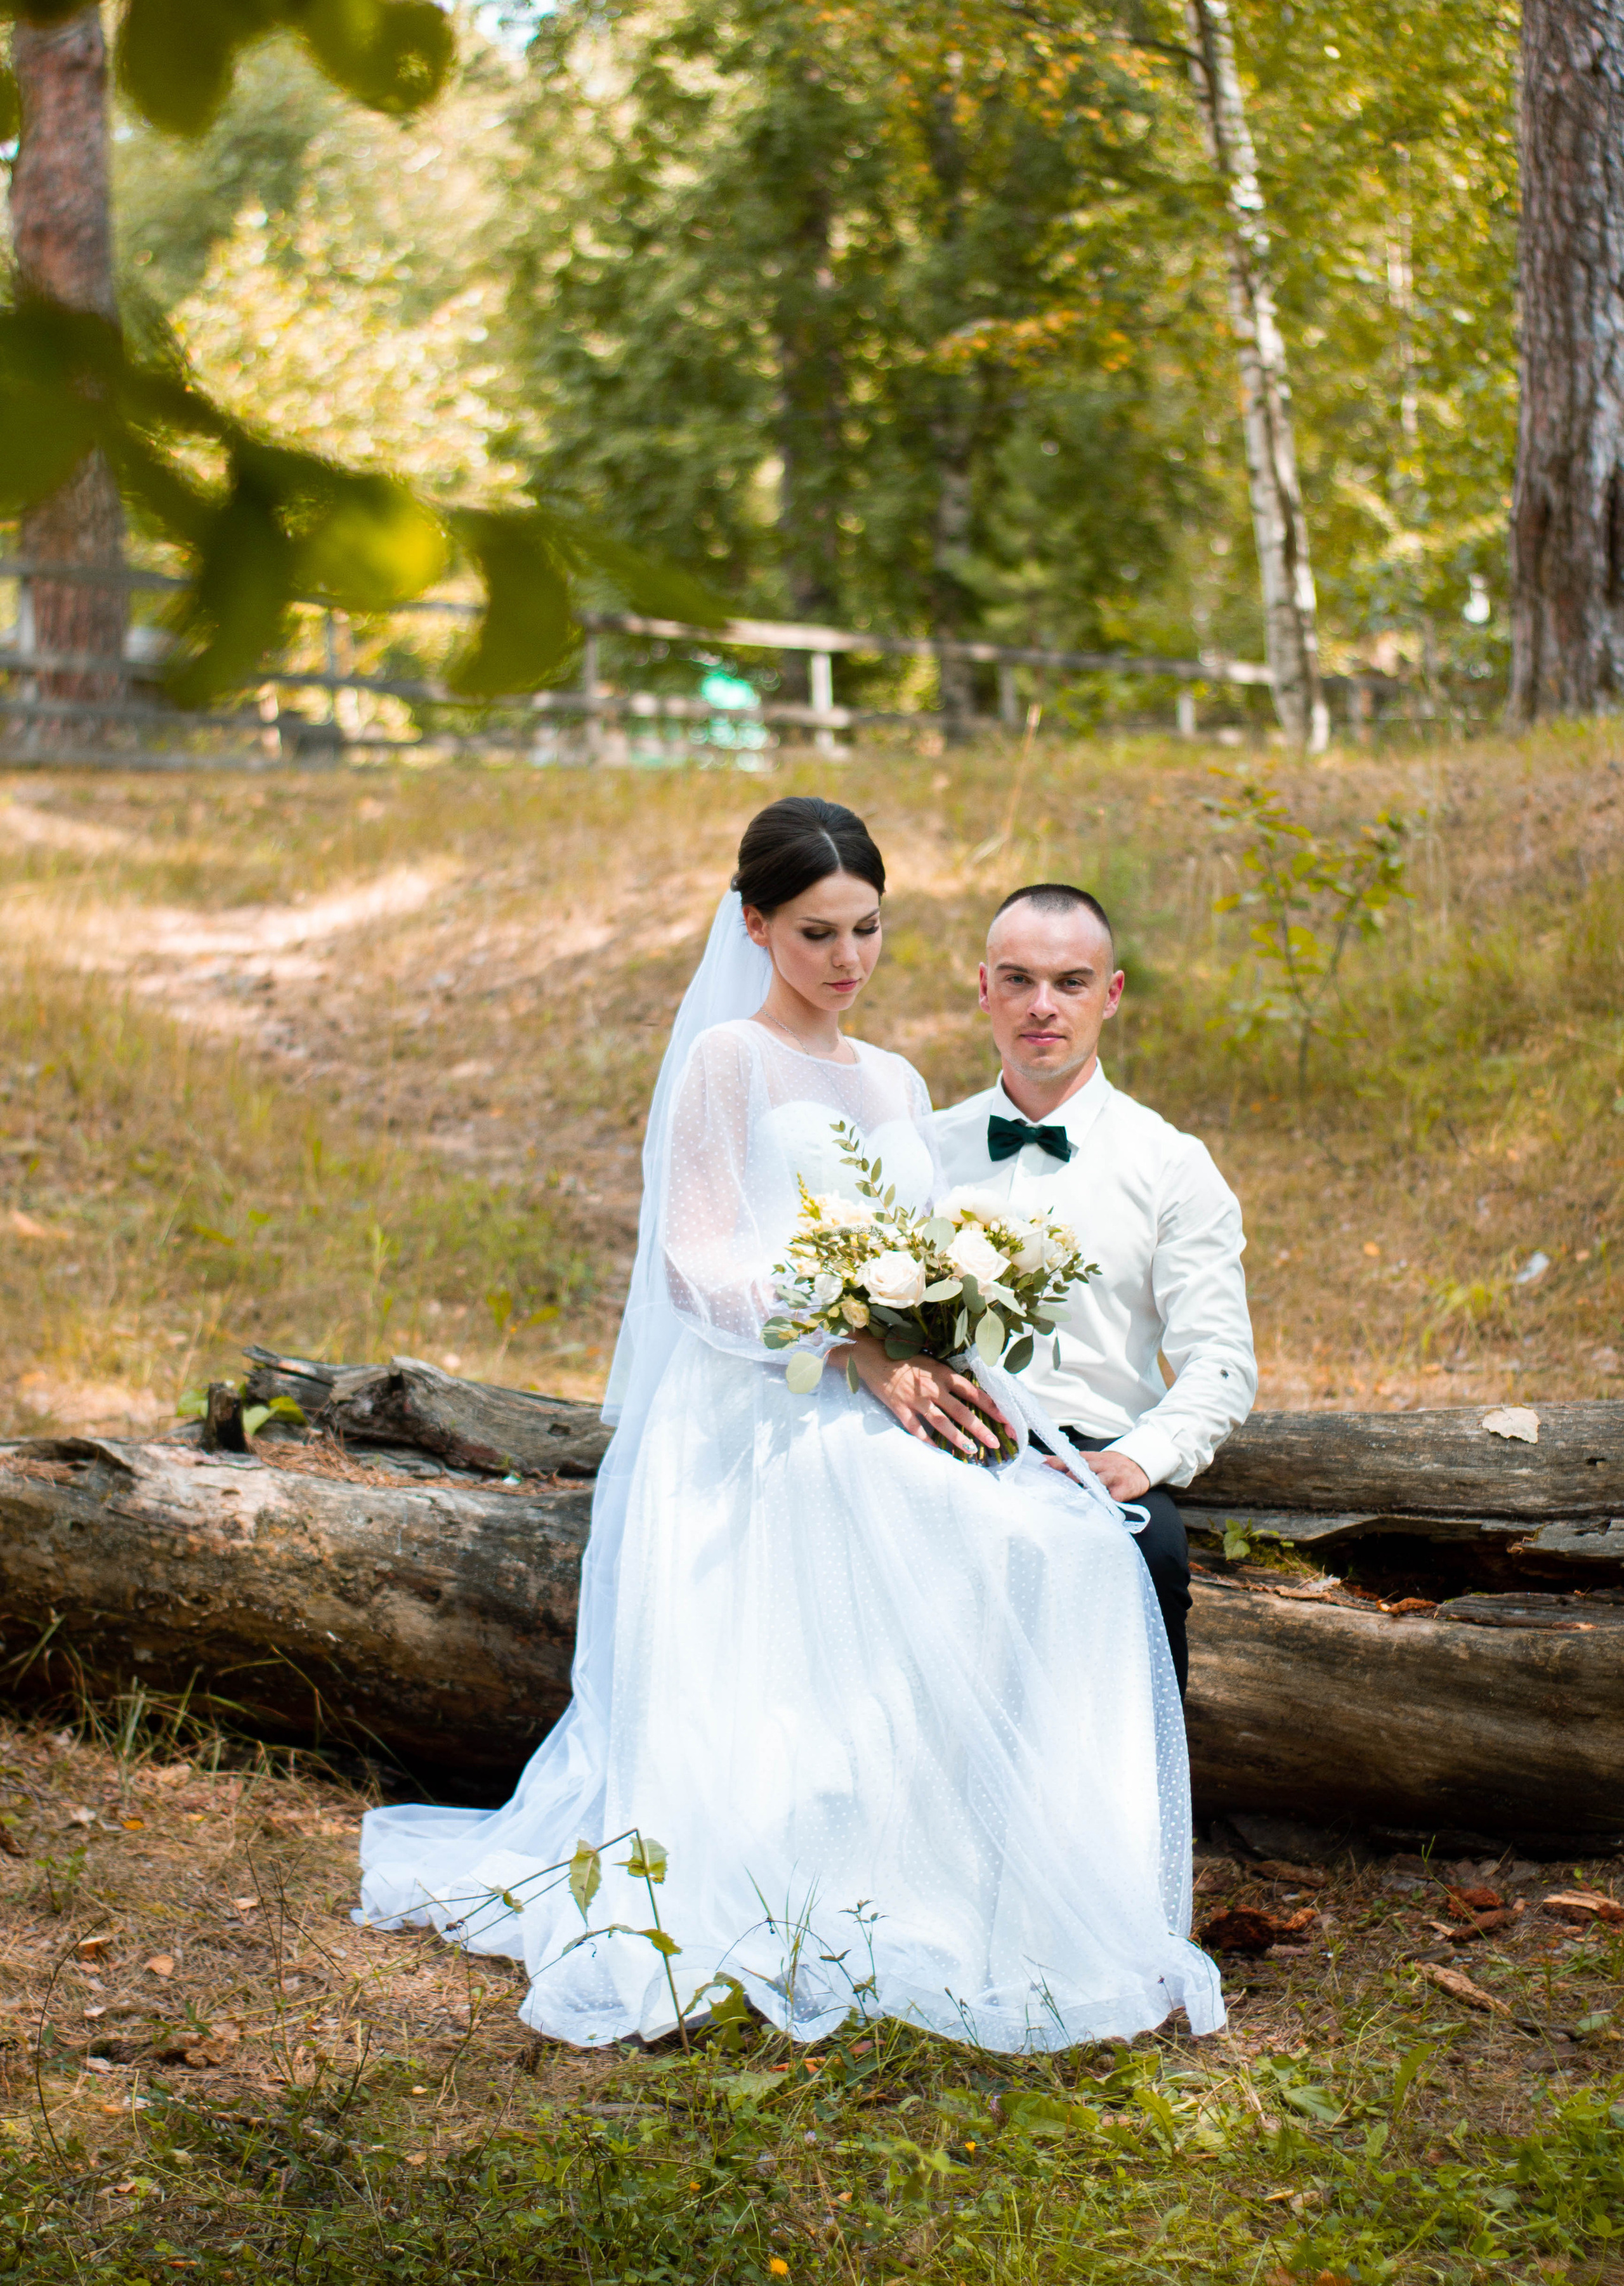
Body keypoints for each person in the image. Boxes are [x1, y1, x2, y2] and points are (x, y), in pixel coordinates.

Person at [358, 801, 1223, 2053]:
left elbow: (914, 1251)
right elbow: (695, 1267)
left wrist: (926, 1325)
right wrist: (845, 1337)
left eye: (867, 929)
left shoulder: (897, 1080)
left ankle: (1011, 1863)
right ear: (754, 925)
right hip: (752, 1408)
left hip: (876, 1388)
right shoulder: (727, 1060)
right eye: (815, 932)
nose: (845, 960)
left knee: (1077, 1547)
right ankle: (821, 1870)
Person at [934, 884, 1258, 1697]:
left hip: (1089, 1456)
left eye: (1071, 982)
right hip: (937, 1450)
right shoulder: (922, 1148)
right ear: (983, 988)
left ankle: (1130, 1820)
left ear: (1110, 995)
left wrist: (1136, 1460)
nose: (1041, 1006)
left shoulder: (1170, 1164)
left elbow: (1220, 1360)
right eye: (1017, 980)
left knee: (1147, 1559)